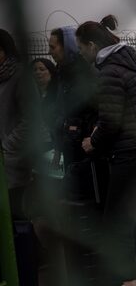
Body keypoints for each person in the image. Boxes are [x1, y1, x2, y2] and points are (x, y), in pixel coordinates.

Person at [76, 15, 136, 286]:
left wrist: (93, 141)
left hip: (127, 150)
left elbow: (110, 119)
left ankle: (129, 285)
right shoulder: (127, 62)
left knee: (117, 219)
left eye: (80, 47)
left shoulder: (109, 70)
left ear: (90, 45)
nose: (80, 54)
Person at [0, 29, 41, 220]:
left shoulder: (20, 77)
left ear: (4, 51)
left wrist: (6, 145)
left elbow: (31, 120)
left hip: (14, 162)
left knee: (17, 218)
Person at [49, 26, 98, 171]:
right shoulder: (62, 73)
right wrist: (58, 151)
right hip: (69, 144)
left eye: (53, 47)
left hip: (86, 148)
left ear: (67, 47)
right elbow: (61, 113)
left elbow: (99, 111)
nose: (49, 52)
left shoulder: (86, 74)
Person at [31, 58, 58, 151]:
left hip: (53, 143)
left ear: (51, 72)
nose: (38, 72)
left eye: (42, 69)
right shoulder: (28, 96)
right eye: (34, 70)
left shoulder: (58, 95)